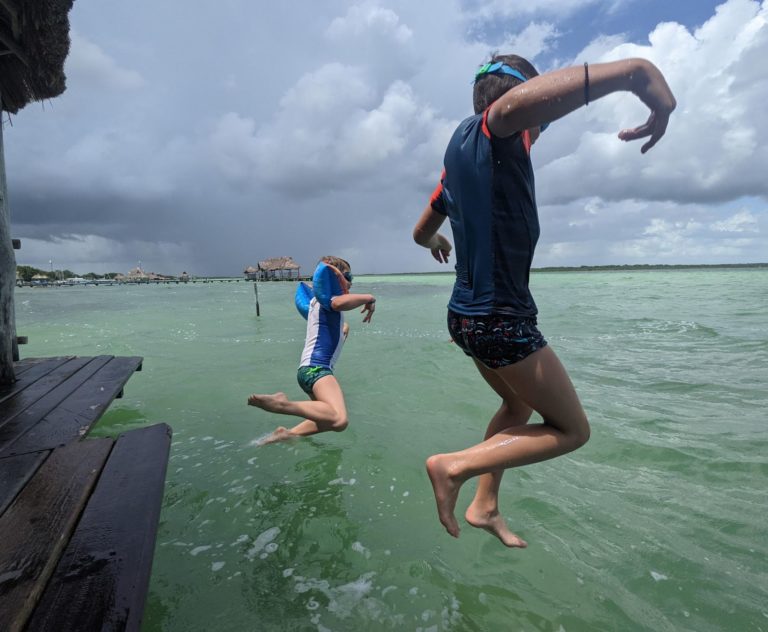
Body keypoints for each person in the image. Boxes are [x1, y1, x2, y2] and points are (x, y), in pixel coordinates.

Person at [412, 55, 676, 546]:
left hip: (465, 319)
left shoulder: (456, 169)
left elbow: (420, 231)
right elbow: (515, 107)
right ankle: (454, 468)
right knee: (572, 430)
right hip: (501, 320)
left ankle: (485, 506)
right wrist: (641, 75)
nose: (545, 124)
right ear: (519, 100)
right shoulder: (497, 125)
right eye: (542, 111)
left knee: (515, 405)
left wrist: (437, 243)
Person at [248, 256, 376, 444]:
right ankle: (283, 404)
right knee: (339, 419)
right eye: (349, 276)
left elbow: (335, 329)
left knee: (329, 421)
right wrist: (370, 298)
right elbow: (339, 303)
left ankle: (287, 434)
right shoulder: (329, 302)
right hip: (319, 370)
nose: (351, 282)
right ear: (336, 278)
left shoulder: (318, 305)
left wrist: (344, 331)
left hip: (306, 372)